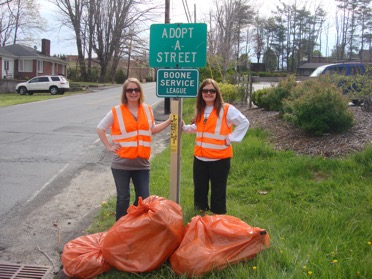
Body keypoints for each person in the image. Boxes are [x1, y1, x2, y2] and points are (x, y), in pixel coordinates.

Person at [96, 78, 171, 221]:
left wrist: (169, 121)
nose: (133, 92)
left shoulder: (147, 109)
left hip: (142, 164)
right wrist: (109, 146)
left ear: (140, 92)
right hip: (121, 164)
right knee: (123, 198)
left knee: (143, 199)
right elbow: (100, 129)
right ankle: (120, 228)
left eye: (136, 90)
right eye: (129, 90)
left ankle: (136, 225)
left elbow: (153, 130)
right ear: (125, 93)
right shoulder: (116, 111)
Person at [182, 78, 249, 214]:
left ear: (217, 93)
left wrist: (230, 139)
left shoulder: (226, 109)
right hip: (200, 158)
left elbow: (244, 122)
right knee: (199, 190)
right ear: (201, 93)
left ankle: (217, 221)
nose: (208, 93)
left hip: (219, 159)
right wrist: (185, 127)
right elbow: (201, 127)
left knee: (218, 191)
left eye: (212, 91)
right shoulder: (201, 109)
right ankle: (200, 217)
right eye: (205, 91)